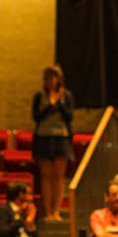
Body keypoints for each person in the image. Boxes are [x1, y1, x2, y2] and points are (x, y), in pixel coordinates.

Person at [32, 65, 75, 222]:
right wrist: (50, 105)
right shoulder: (39, 96)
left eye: (53, 78)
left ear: (58, 79)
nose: (50, 81)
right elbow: (36, 116)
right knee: (46, 176)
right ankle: (48, 212)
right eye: (47, 78)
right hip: (43, 137)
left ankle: (56, 211)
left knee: (58, 176)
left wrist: (59, 102)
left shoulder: (66, 95)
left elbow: (69, 116)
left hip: (61, 137)